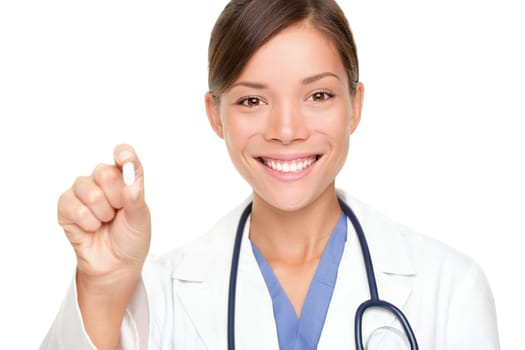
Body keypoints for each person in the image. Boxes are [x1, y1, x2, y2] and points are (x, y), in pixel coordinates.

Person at [40, 0, 499, 349]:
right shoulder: (159, 295)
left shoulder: (450, 288)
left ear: (355, 105)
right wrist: (102, 288)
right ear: (215, 115)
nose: (286, 131)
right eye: (252, 100)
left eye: (318, 96)